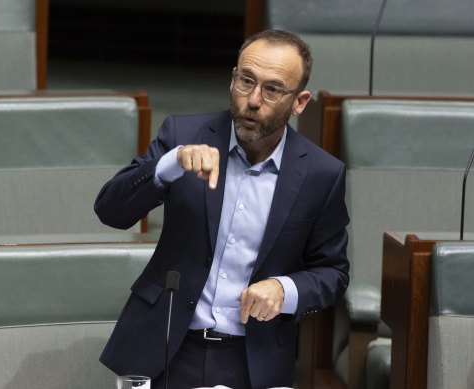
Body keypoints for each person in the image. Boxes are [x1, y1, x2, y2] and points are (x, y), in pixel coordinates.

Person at [94, 29, 349, 389]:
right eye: (246, 81)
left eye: (272, 89)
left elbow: (333, 272)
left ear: (300, 102)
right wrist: (169, 164)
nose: (253, 100)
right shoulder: (183, 135)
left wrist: (284, 288)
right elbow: (110, 210)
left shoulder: (322, 174)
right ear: (233, 79)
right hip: (165, 348)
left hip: (253, 360)